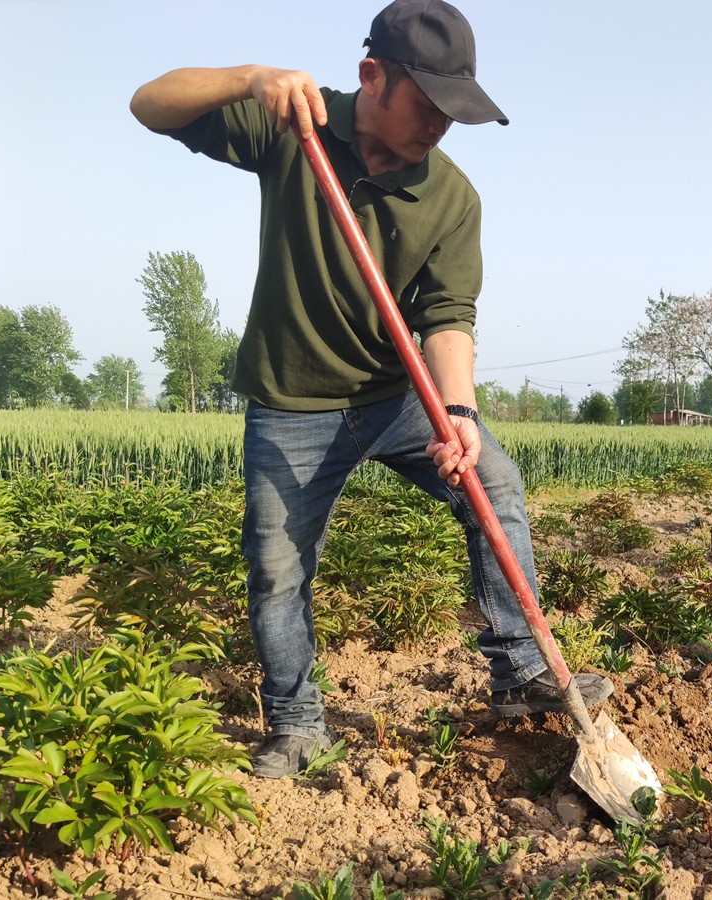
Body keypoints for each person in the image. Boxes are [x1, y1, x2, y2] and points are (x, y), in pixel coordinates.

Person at [130, 0, 611, 777]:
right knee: (278, 566)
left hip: (396, 399)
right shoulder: (296, 124)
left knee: (494, 482)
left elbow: (447, 317)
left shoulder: (452, 197)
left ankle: (522, 672)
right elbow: (149, 105)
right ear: (372, 76)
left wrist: (458, 412)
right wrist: (251, 78)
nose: (439, 127)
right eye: (428, 105)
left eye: (454, 113)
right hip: (291, 403)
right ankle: (297, 726)